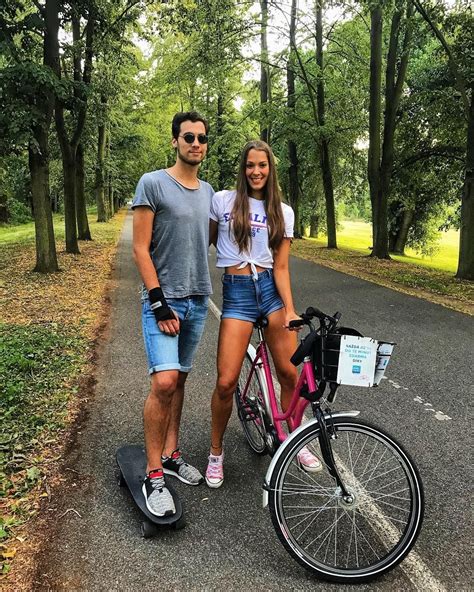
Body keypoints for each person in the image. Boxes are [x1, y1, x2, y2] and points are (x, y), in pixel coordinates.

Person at [205, 140, 322, 488]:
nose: (256, 171)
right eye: (250, 165)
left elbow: (282, 266)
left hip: (270, 291)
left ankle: (295, 439)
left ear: (271, 169)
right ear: (242, 169)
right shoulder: (223, 201)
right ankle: (215, 452)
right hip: (238, 294)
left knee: (289, 372)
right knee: (226, 381)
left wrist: (289, 309)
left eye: (263, 165)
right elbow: (208, 242)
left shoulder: (283, 211)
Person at [132, 111, 214, 516]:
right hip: (163, 302)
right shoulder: (153, 183)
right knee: (163, 382)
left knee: (179, 378)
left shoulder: (209, 192)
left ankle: (171, 453)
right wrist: (158, 300)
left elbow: (210, 240)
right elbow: (139, 247)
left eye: (201, 138)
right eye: (188, 137)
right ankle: (153, 476)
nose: (195, 143)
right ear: (175, 142)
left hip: (198, 299)